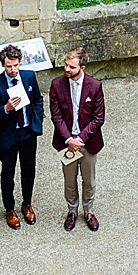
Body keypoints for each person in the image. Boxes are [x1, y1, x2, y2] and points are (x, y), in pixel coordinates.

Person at [0, 43, 44, 229]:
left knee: (29, 170)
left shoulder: (28, 76)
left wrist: (37, 122)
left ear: (20, 62)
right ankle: (9, 208)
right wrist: (5, 108)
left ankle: (27, 203)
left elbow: (38, 100)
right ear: (3, 65)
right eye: (9, 66)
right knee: (8, 173)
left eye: (15, 65)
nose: (12, 69)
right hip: (8, 136)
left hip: (27, 132)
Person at [49, 47, 106, 231]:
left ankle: (88, 211)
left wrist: (80, 139)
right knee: (69, 180)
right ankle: (72, 211)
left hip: (87, 143)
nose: (66, 69)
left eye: (71, 67)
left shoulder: (95, 86)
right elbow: (56, 116)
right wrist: (68, 140)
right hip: (66, 143)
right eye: (66, 65)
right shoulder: (56, 85)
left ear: (82, 67)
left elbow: (99, 118)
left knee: (89, 180)